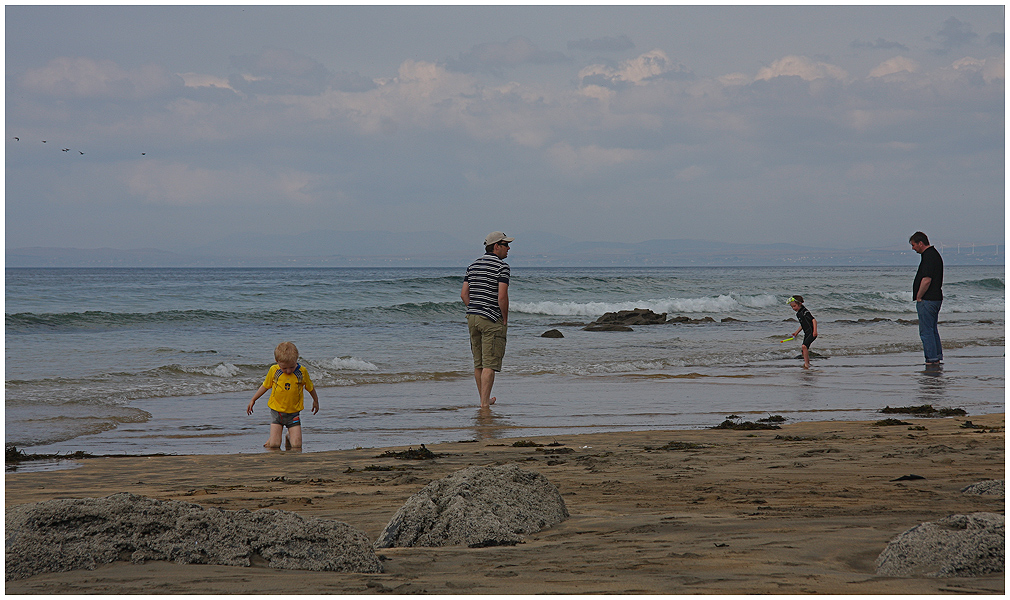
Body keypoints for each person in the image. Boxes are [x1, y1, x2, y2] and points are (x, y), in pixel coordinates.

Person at [461, 231, 513, 408]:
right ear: (496, 246)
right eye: (505, 244)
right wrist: (504, 318)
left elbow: (464, 294)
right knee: (490, 363)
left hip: (473, 317)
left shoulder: (472, 265)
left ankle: (484, 399)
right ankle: (484, 404)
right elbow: (502, 297)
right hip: (491, 318)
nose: (508, 248)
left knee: (479, 363)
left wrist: (474, 308)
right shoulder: (502, 267)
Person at [246, 341, 320, 449]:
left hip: (293, 413)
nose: (288, 371)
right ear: (277, 361)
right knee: (275, 445)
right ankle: (272, 438)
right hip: (277, 412)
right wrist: (253, 400)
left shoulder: (302, 372)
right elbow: (265, 386)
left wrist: (316, 401)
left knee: (297, 445)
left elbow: (310, 388)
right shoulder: (274, 370)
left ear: (296, 360)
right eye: (284, 368)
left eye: (292, 367)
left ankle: (289, 436)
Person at [909, 231, 943, 365]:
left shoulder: (929, 256)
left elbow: (927, 279)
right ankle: (936, 356)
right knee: (932, 329)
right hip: (935, 298)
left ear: (920, 243)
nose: (913, 248)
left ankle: (931, 358)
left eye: (913, 245)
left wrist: (919, 296)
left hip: (928, 299)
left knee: (926, 331)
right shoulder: (933, 255)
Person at [788, 295, 818, 369]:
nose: (793, 308)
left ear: (800, 303)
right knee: (803, 350)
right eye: (792, 307)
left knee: (804, 346)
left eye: (794, 306)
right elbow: (802, 324)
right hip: (807, 333)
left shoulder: (805, 312)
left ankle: (806, 364)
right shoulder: (798, 314)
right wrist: (796, 333)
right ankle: (808, 363)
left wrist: (815, 331)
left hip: (812, 332)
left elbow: (813, 320)